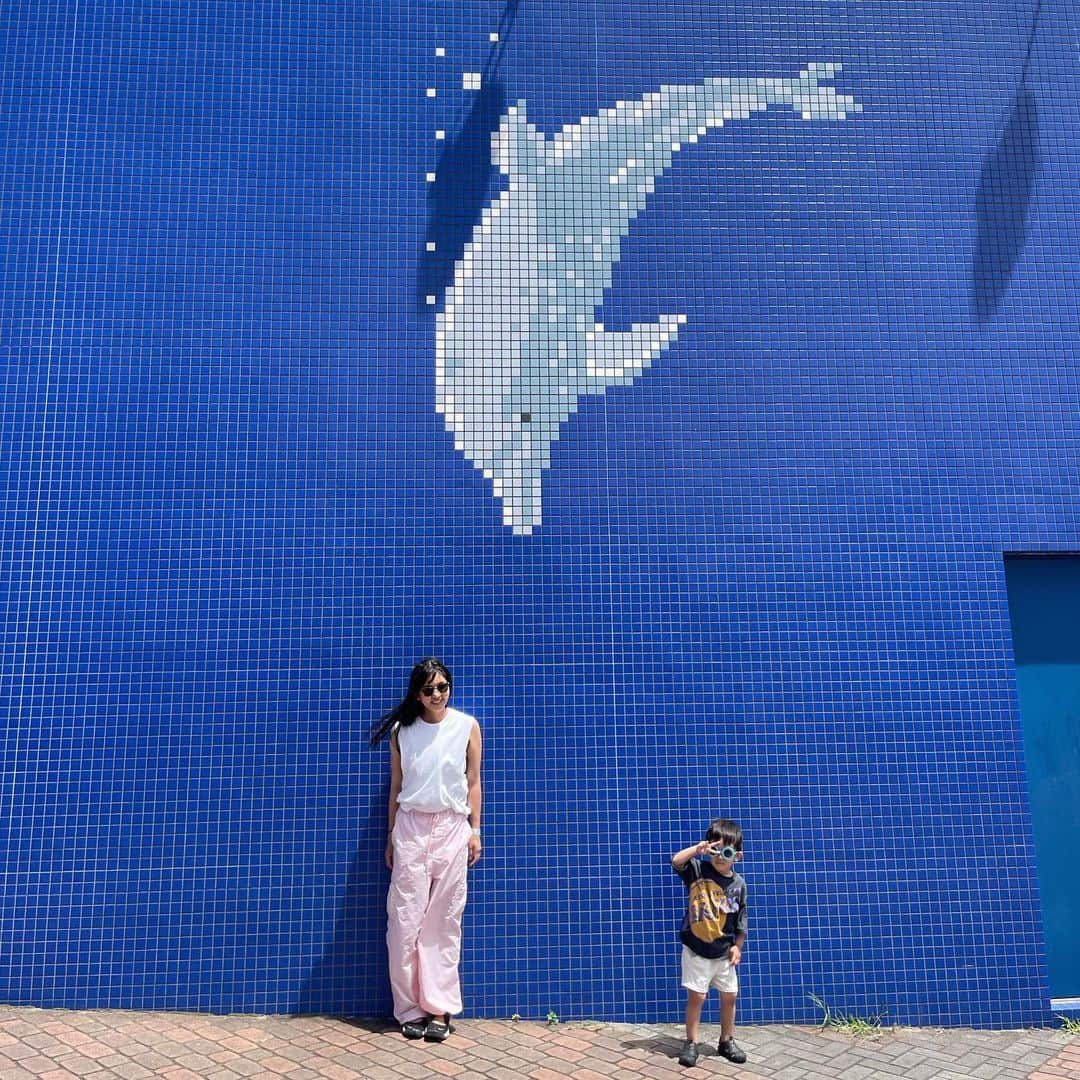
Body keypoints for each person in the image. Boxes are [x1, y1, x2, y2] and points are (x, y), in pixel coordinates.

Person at [370, 659, 482, 1041]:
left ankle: (439, 1009)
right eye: (430, 689)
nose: (438, 694)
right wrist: (390, 835)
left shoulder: (466, 726)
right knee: (403, 923)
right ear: (417, 694)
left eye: (443, 686)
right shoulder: (403, 731)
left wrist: (475, 831)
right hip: (411, 828)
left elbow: (473, 782)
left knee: (444, 923)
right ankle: (410, 1009)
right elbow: (396, 788)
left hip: (452, 828)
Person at [670, 818, 748, 1068]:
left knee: (730, 996)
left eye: (726, 851)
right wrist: (698, 849)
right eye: (715, 850)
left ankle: (726, 1040)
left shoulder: (738, 885)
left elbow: (741, 919)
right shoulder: (698, 871)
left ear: (737, 856)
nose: (719, 857)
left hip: (724, 952)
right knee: (698, 997)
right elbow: (676, 861)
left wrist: (738, 945)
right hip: (697, 950)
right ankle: (691, 1042)